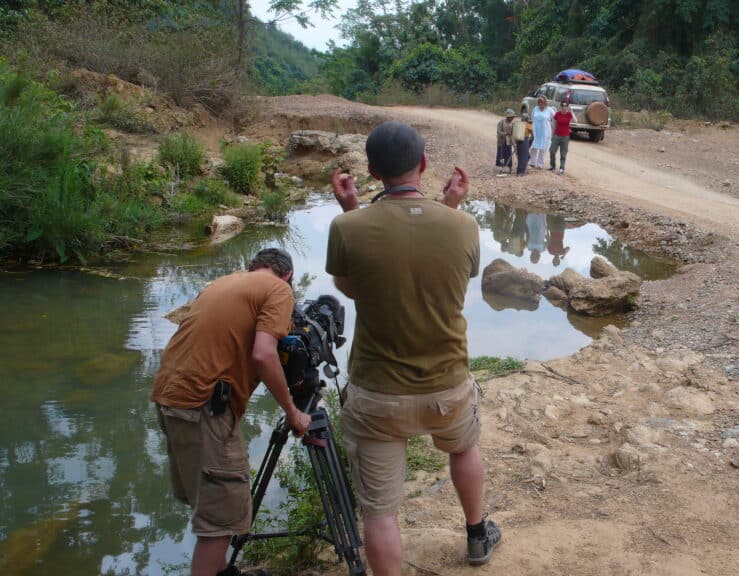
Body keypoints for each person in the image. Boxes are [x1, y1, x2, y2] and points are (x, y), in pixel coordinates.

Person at [325, 121, 502, 575]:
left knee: (380, 512)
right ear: (423, 165)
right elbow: (443, 277)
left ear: (371, 170)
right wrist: (449, 205)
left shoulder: (347, 226)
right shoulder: (463, 225)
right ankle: (477, 534)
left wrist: (352, 208)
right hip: (447, 388)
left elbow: (353, 288)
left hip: (378, 396)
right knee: (463, 449)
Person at [151, 248, 312, 576]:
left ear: (251, 267)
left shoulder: (222, 284)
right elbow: (264, 355)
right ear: (287, 277)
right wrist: (293, 412)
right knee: (220, 521)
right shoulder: (278, 289)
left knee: (212, 507)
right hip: (204, 408)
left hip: (170, 398)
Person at [548, 101, 577, 175]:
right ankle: (552, 165)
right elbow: (554, 124)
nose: (564, 107)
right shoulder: (557, 114)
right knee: (552, 151)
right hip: (557, 135)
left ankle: (562, 167)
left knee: (563, 153)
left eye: (566, 106)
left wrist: (571, 111)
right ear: (561, 106)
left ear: (567, 106)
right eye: (563, 106)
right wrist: (552, 134)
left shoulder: (569, 114)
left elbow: (575, 121)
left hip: (565, 136)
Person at [529, 95, 555, 169]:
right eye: (539, 102)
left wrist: (554, 128)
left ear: (545, 102)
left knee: (543, 147)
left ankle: (540, 164)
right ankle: (532, 162)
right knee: (534, 146)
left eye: (542, 102)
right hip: (536, 130)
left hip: (545, 131)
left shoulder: (550, 110)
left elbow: (555, 118)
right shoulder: (535, 109)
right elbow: (532, 118)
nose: (540, 103)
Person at [495, 109, 515, 174]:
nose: (512, 118)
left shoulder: (512, 123)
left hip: (509, 141)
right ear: (508, 116)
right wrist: (505, 133)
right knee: (502, 155)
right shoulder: (501, 122)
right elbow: (498, 131)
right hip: (502, 141)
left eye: (513, 117)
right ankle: (502, 167)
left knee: (509, 154)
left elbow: (513, 132)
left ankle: (510, 168)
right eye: (511, 117)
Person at [513, 111, 532, 176]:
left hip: (518, 141)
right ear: (527, 119)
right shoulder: (528, 125)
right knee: (524, 157)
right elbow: (533, 136)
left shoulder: (518, 124)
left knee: (523, 156)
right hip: (524, 140)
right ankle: (520, 172)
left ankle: (520, 170)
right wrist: (529, 144)